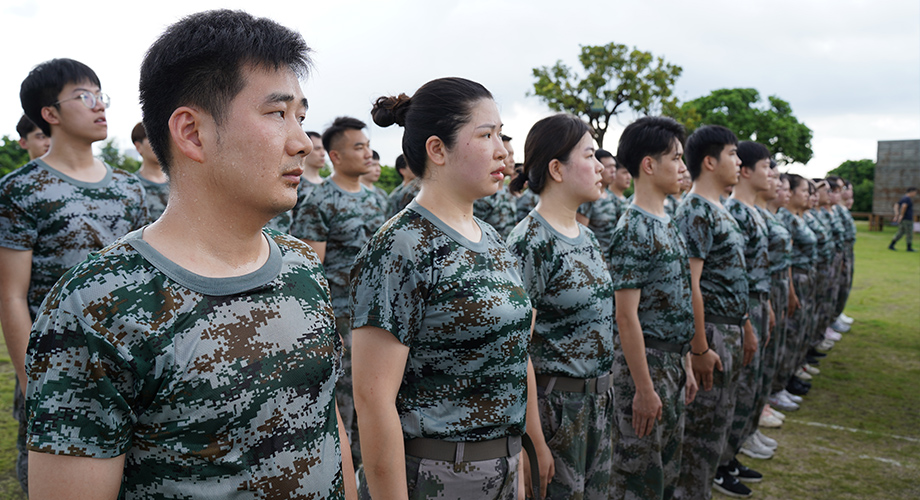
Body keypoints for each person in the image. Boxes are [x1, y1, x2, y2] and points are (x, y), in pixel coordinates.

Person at [23, 11, 355, 498]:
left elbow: (328, 431)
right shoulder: (96, 305)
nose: (302, 142)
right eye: (277, 114)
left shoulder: (302, 266)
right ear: (193, 132)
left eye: (301, 117)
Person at [351, 77, 531, 500]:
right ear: (437, 150)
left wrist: (514, 469)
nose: (503, 149)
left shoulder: (493, 238)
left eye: (502, 134)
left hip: (501, 467)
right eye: (486, 135)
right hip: (435, 476)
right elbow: (373, 399)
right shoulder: (401, 246)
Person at [1, 57, 147, 496]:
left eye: (101, 96)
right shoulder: (20, 190)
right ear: (49, 114)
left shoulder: (130, 189)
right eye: (85, 97)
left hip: (131, 366)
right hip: (59, 372)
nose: (99, 106)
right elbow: (11, 296)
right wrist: (36, 386)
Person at [506, 113, 614, 499]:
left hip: (598, 403)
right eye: (589, 156)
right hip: (555, 410)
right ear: (556, 168)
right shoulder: (530, 241)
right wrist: (534, 438)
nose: (601, 167)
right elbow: (516, 352)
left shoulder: (586, 235)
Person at [606, 116, 697, 500]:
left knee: (666, 469)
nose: (682, 167)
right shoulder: (632, 228)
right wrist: (643, 388)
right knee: (638, 474)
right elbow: (625, 316)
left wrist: (687, 363)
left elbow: (679, 298)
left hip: (672, 364)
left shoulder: (668, 220)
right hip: (646, 368)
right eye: (675, 158)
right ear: (648, 164)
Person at [291, 115, 386, 467]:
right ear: (335, 156)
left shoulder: (379, 199)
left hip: (377, 320)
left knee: (378, 402)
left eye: (368, 146)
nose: (367, 153)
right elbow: (311, 273)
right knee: (344, 407)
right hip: (342, 319)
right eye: (358, 147)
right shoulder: (319, 201)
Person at [672, 125, 752, 500]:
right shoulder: (695, 211)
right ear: (709, 161)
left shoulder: (719, 207)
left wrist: (746, 325)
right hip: (712, 333)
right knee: (700, 440)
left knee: (719, 426)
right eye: (733, 154)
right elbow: (691, 285)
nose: (738, 161)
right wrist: (700, 348)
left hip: (730, 329)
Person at [721, 142, 775, 492]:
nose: (771, 174)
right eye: (766, 167)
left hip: (756, 301)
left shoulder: (751, 211)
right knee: (736, 390)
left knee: (751, 385)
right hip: (739, 309)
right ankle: (721, 461)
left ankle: (731, 452)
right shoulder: (736, 212)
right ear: (746, 172)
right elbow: (731, 273)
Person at [773, 174, 817, 413]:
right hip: (787, 282)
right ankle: (778, 386)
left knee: (796, 332)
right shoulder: (783, 218)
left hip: (799, 279)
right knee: (787, 335)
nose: (789, 193)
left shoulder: (794, 218)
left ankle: (787, 378)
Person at [758, 165, 796, 432]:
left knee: (772, 352)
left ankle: (762, 406)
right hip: (758, 297)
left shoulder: (766, 216)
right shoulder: (743, 213)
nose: (778, 186)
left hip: (772, 291)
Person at [575, 149, 623, 269]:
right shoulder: (588, 199)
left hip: (613, 264)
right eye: (609, 167)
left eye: (614, 166)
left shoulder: (612, 198)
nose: (613, 170)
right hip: (595, 265)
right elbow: (580, 236)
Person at [472, 133, 517, 238]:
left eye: (512, 155)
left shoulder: (509, 192)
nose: (512, 160)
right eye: (508, 154)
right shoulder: (483, 198)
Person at [131, 121, 170, 221]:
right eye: (154, 139)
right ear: (138, 147)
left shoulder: (179, 184)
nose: (161, 144)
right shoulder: (131, 186)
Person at [889, 187, 917, 251]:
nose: (915, 194)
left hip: (903, 219)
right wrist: (901, 215)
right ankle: (909, 248)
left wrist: (896, 214)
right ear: (911, 192)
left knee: (900, 233)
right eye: (915, 193)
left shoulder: (903, 198)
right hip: (907, 219)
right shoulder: (907, 199)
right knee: (909, 233)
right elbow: (904, 206)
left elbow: (896, 205)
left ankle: (891, 245)